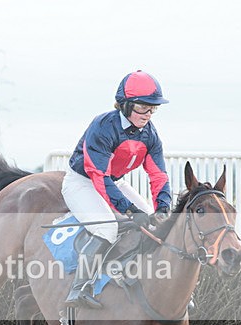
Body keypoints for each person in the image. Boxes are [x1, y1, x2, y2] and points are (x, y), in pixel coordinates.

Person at [62, 70, 173, 309]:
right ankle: (79, 288)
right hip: (83, 181)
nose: (149, 113)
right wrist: (130, 210)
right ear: (126, 105)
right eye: (144, 107)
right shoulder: (103, 126)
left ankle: (140, 279)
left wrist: (163, 207)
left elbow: (158, 174)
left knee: (155, 225)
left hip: (115, 180)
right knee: (107, 227)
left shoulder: (150, 134)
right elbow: (99, 177)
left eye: (153, 108)